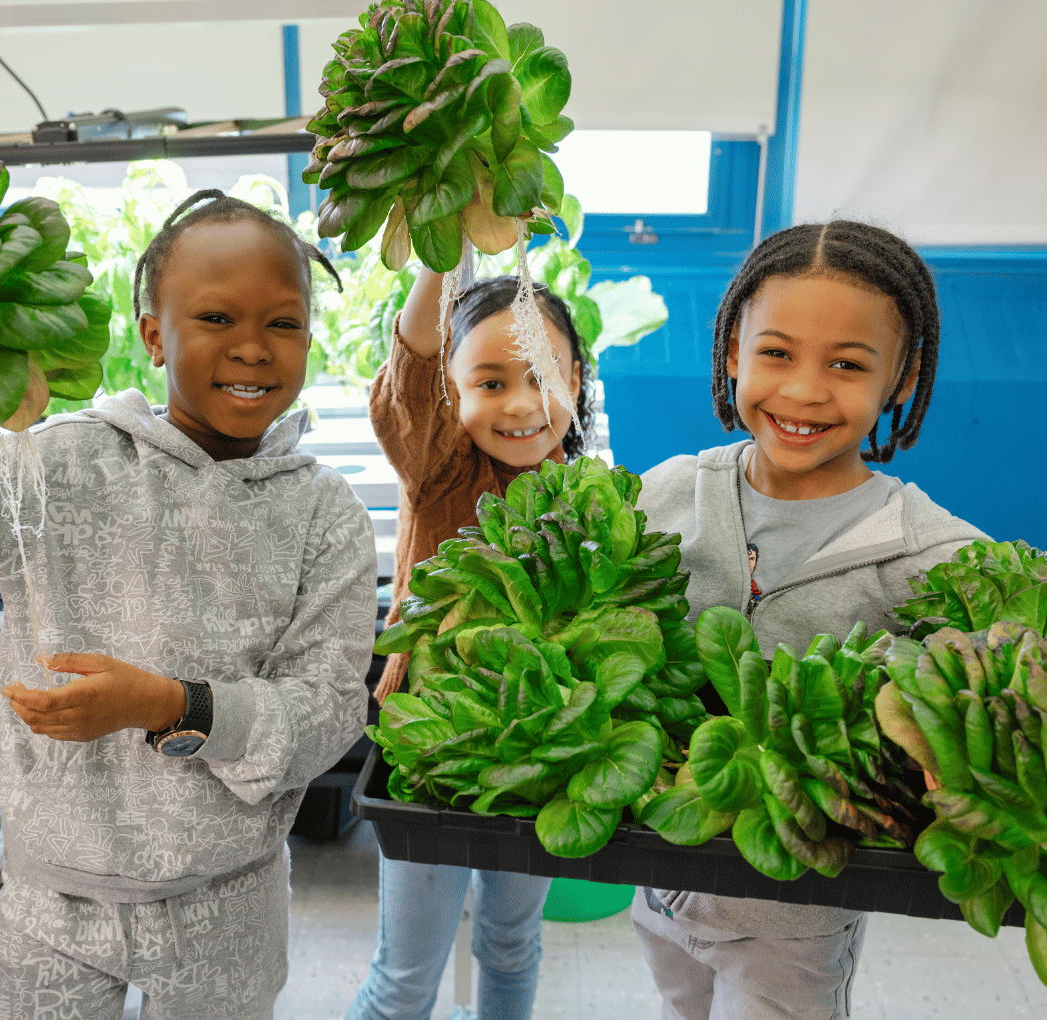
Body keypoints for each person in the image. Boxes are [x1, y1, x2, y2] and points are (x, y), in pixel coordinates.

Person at [0, 191, 378, 1020]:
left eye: (282, 324)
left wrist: (175, 705)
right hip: (51, 904)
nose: (252, 348)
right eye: (214, 317)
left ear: (309, 341)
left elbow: (327, 712)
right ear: (152, 334)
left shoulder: (325, 513)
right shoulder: (59, 463)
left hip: (230, 905)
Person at [630, 221, 989, 1020]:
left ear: (903, 376)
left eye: (848, 365)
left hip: (793, 920)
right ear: (732, 352)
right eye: (777, 353)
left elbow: (1023, 673)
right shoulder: (665, 495)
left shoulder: (936, 556)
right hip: (654, 881)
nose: (803, 391)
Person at [347, 270, 596, 1020]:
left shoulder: (587, 496)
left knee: (514, 942)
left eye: (542, 377)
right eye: (489, 382)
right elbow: (413, 367)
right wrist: (437, 255)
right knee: (404, 979)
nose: (520, 405)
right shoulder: (439, 469)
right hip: (431, 755)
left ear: (577, 381)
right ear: (451, 395)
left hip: (541, 752)